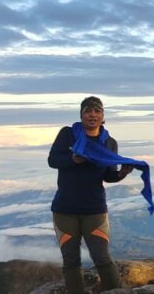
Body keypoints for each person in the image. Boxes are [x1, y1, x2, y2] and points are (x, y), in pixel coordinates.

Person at [47, 96, 134, 294]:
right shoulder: (68, 135)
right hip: (64, 210)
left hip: (94, 210)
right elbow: (53, 160)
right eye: (88, 111)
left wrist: (121, 173)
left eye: (97, 111)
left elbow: (108, 175)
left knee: (102, 258)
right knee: (71, 261)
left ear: (103, 117)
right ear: (81, 115)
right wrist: (73, 159)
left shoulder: (109, 143)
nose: (92, 114)